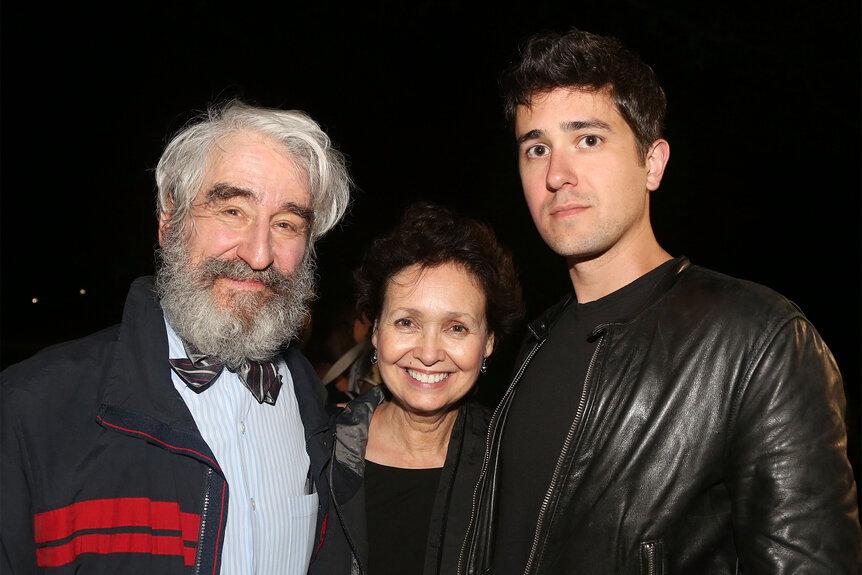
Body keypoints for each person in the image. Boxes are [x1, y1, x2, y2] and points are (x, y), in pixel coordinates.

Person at [460, 28, 861, 574]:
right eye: (536, 148)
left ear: (653, 163)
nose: (557, 174)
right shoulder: (530, 345)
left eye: (589, 139)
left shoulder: (758, 339)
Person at [1, 100, 351, 574]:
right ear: (170, 222)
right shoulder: (30, 408)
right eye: (232, 210)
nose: (259, 252)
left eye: (287, 224)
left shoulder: (311, 404)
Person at [311, 202, 524, 575]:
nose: (428, 353)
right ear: (375, 331)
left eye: (456, 327)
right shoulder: (316, 453)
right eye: (407, 322)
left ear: (488, 340)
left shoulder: (513, 471)